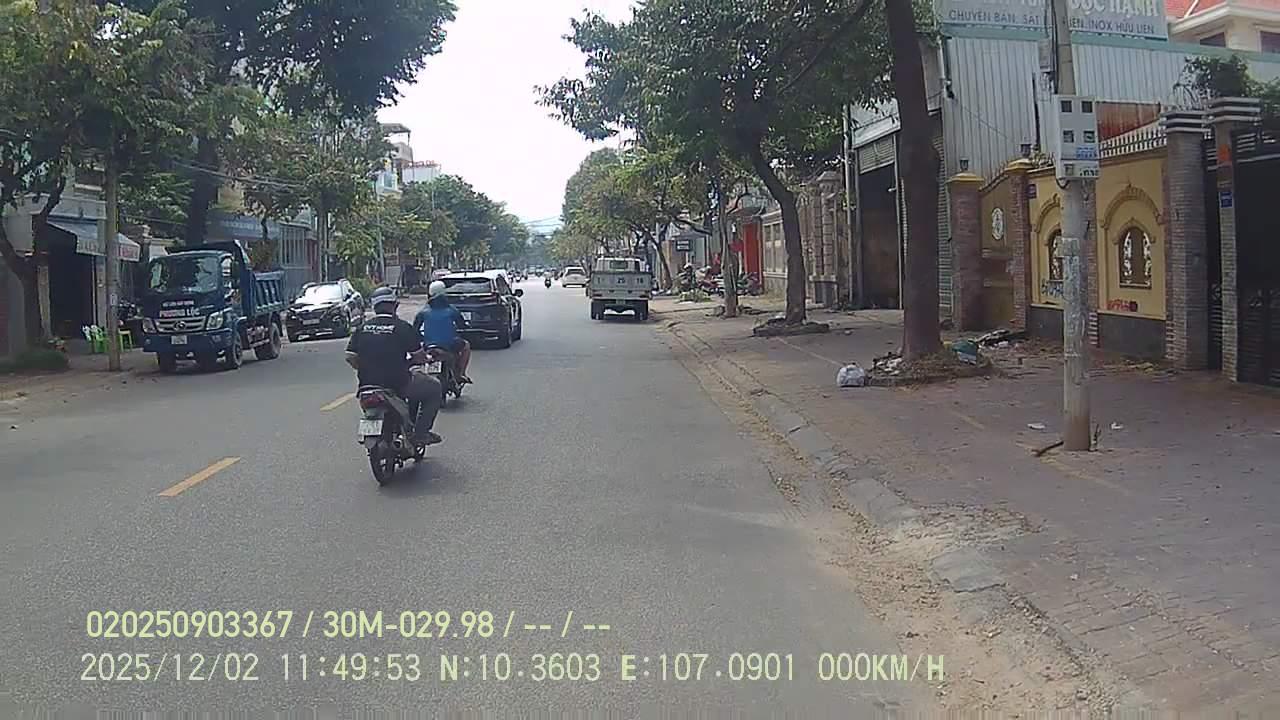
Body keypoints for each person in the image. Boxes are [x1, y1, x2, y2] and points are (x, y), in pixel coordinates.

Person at [345, 287, 443, 448]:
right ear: (394, 305)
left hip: (367, 386)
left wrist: (366, 367)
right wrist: (418, 361)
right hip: (399, 384)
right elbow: (419, 356)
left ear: (374, 307)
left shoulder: (362, 328)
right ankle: (421, 434)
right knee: (434, 388)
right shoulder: (402, 327)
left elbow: (350, 357)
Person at [414, 280, 472, 384]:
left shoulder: (423, 312)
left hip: (428, 346)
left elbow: (415, 329)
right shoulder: (452, 310)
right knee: (466, 345)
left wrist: (422, 338)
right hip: (449, 345)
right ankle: (461, 374)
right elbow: (462, 325)